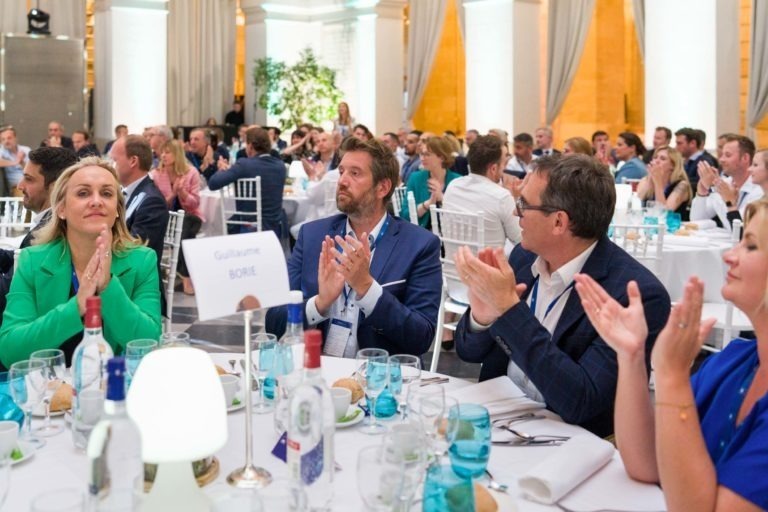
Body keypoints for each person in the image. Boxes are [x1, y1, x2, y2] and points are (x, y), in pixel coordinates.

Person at [453, 155, 670, 436]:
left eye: (523, 205)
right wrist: (482, 318)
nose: (516, 214)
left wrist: (509, 310)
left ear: (558, 222)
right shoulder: (522, 258)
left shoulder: (633, 295)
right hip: (497, 423)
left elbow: (581, 402)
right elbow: (467, 352)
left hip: (569, 442)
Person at [574, 197, 768, 511]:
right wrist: (631, 356)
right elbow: (646, 461)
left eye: (751, 246)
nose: (730, 256)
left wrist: (673, 376)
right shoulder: (733, 361)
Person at [265, 137, 442, 358]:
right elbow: (273, 322)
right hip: (317, 373)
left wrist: (367, 289)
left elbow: (420, 338)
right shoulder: (312, 236)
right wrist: (319, 304)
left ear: (382, 188)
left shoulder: (419, 245)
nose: (342, 181)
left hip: (379, 377)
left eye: (355, 173)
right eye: (341, 172)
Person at [0, 158, 162, 368]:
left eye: (106, 193)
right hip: (48, 393)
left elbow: (148, 346)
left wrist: (108, 287)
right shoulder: (33, 261)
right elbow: (11, 351)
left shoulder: (142, 261)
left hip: (115, 391)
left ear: (117, 211)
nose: (96, 201)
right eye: (83, 193)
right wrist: (76, 306)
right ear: (61, 209)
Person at [0, 147, 78, 323]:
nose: (20, 186)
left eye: (28, 179)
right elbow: (17, 258)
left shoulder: (51, 231)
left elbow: (8, 290)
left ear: (55, 186)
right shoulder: (50, 222)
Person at [209, 127, 286, 236]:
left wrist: (221, 169)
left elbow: (213, 184)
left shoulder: (244, 164)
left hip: (249, 227)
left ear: (250, 146)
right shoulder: (280, 166)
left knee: (222, 226)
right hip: (275, 227)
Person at [151, 140, 204, 295]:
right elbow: (158, 206)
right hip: (166, 219)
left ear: (177, 155)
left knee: (187, 223)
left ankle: (183, 273)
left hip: (190, 217)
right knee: (186, 231)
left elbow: (194, 205)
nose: (163, 155)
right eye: (162, 152)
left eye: (168, 152)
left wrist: (183, 193)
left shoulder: (191, 173)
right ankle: (185, 275)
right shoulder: (157, 175)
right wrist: (173, 194)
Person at [691, 134, 763, 230]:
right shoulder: (726, 182)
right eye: (722, 155)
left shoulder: (759, 188)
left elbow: (737, 229)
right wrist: (701, 193)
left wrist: (715, 187)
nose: (721, 159)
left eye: (728, 155)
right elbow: (697, 220)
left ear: (745, 158)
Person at [402, 136, 461, 229]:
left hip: (451, 234)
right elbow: (404, 215)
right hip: (423, 235)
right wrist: (427, 204)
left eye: (427, 154)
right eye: (421, 154)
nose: (422, 158)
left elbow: (461, 216)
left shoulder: (457, 180)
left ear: (441, 157)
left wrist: (442, 198)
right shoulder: (416, 178)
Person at [636, 146, 692, 220]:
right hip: (649, 226)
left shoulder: (682, 185)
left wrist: (657, 183)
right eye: (655, 157)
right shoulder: (645, 180)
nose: (656, 161)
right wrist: (650, 179)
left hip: (674, 229)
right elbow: (637, 205)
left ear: (673, 165)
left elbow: (664, 214)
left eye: (662, 159)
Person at [0, 126, 30, 196]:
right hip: (16, 187)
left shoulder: (26, 150)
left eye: (9, 138)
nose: (6, 141)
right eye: (3, 139)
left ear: (15, 138)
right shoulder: (2, 151)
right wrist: (15, 162)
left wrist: (21, 162)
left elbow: (33, 171)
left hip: (30, 184)